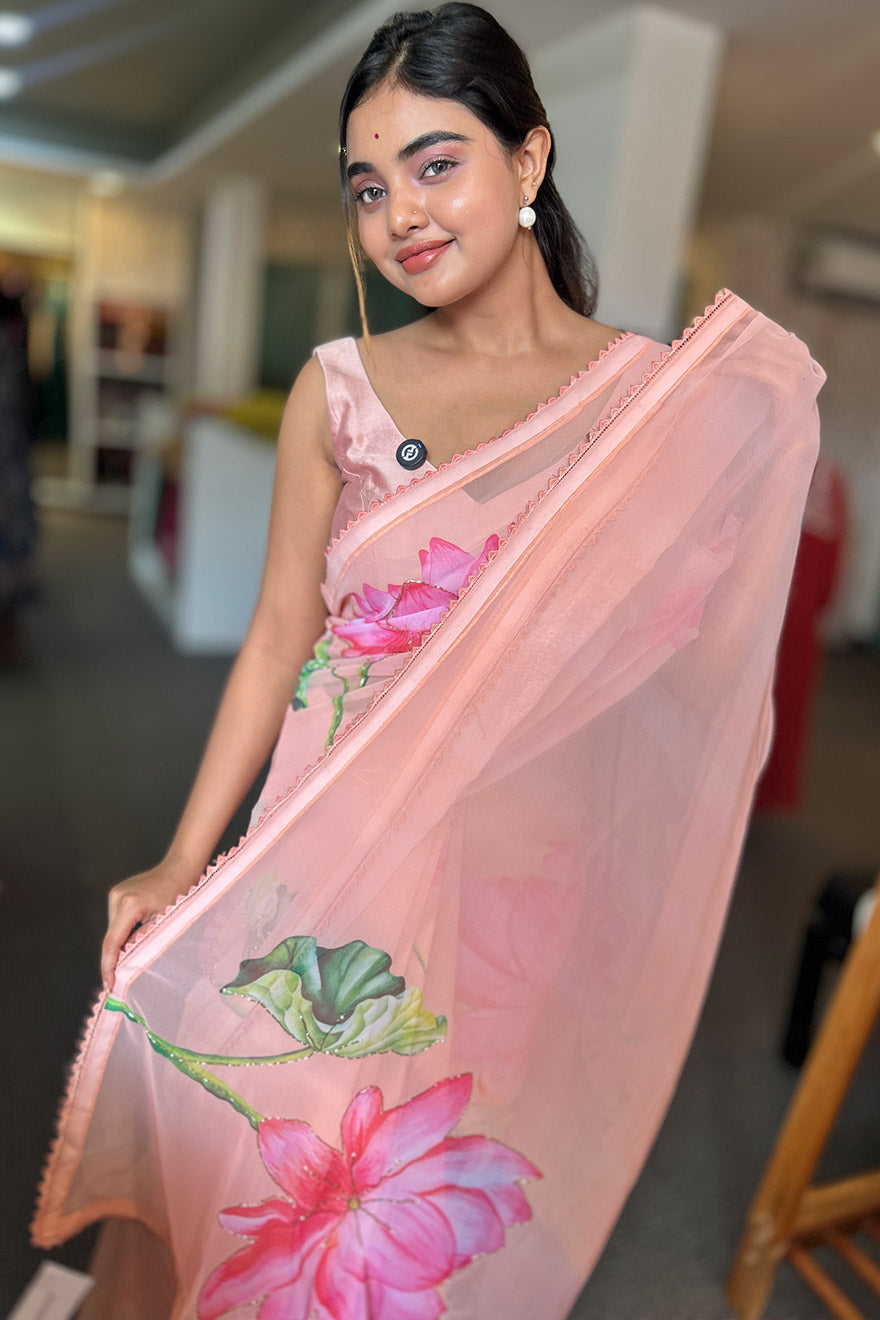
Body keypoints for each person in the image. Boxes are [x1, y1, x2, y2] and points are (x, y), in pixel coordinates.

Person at [34, 7, 824, 1319]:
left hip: (514, 892)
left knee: (411, 1211)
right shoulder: (337, 389)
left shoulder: (658, 410)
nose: (398, 212)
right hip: (325, 858)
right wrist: (186, 856)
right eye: (367, 185)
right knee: (269, 1183)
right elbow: (279, 636)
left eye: (435, 163)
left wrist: (725, 499)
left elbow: (699, 686)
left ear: (529, 160)